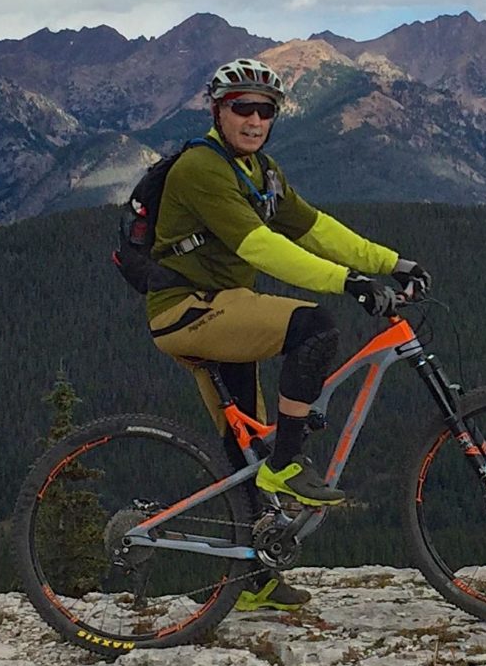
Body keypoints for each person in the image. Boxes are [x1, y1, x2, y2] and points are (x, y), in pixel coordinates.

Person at [145, 58, 427, 612]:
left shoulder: (261, 171)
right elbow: (260, 248)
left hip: (227, 309)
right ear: (218, 112)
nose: (254, 119)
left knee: (243, 445)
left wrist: (391, 262)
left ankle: (254, 580)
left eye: (265, 110)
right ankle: (290, 464)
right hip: (191, 310)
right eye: (241, 108)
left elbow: (315, 227)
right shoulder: (202, 168)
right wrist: (348, 283)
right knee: (315, 327)